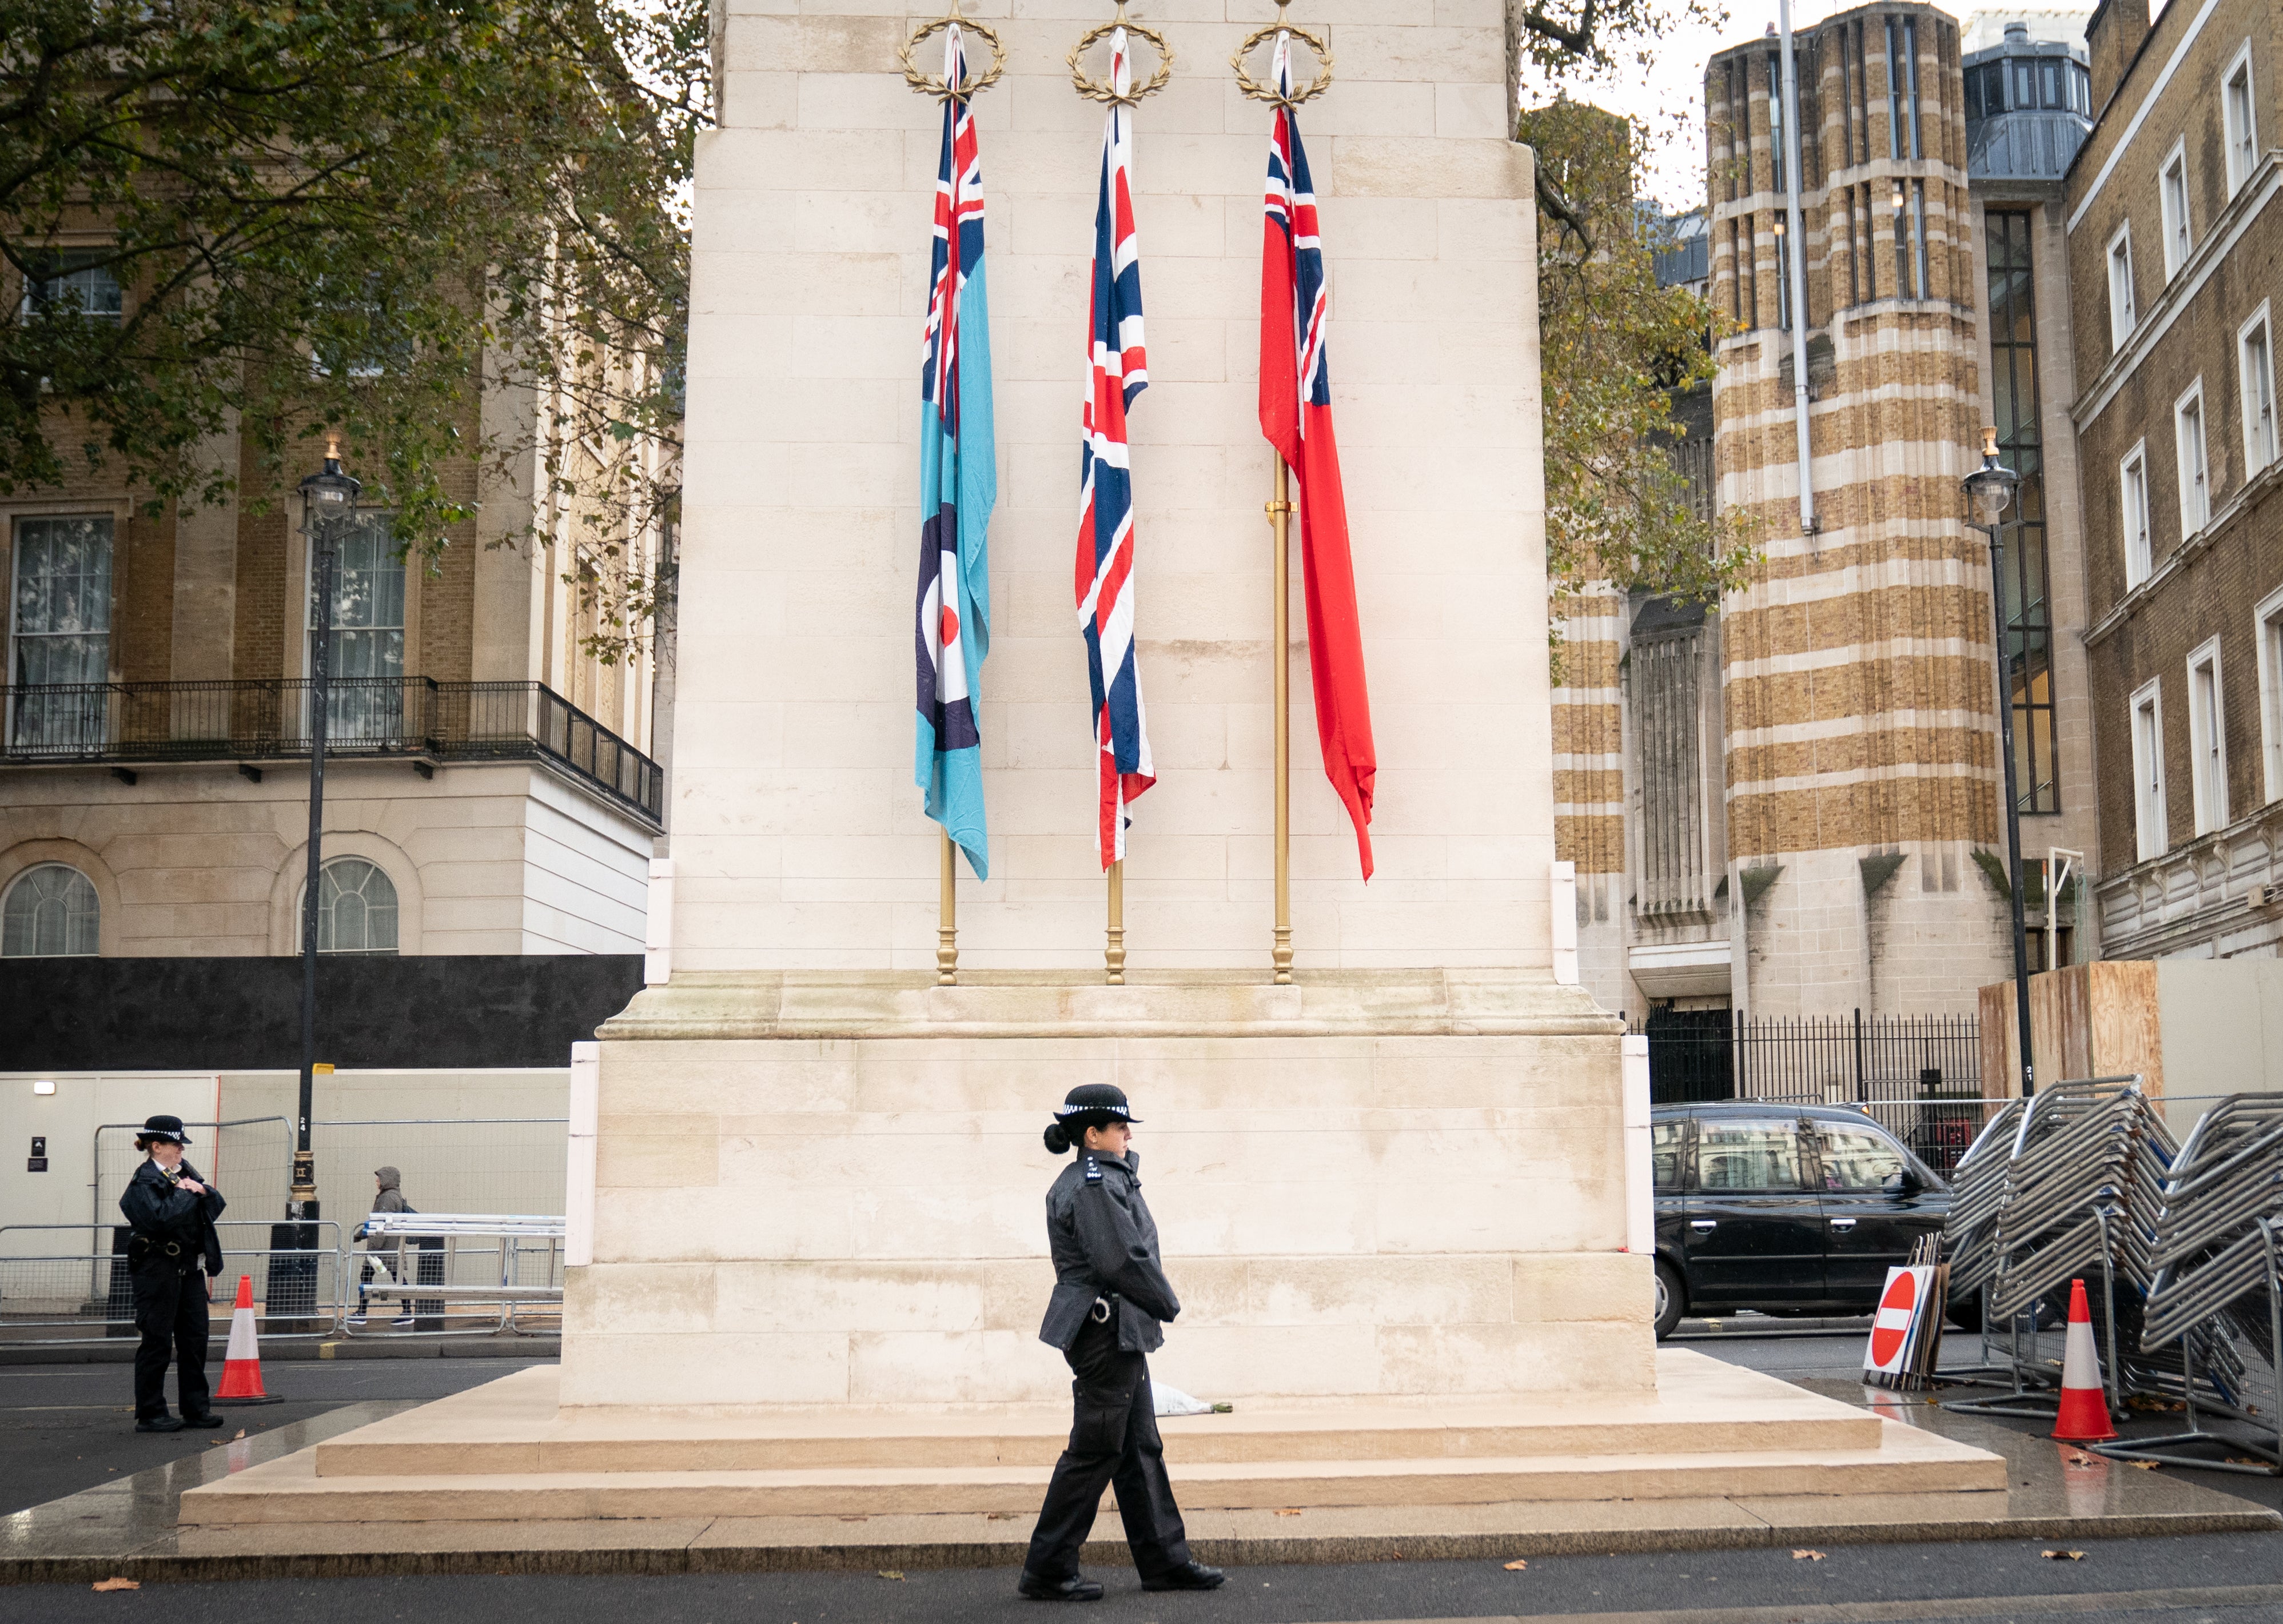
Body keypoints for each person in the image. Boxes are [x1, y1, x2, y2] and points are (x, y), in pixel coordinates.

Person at [1018, 1084, 1224, 1602]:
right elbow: (1119, 1259)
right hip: (1104, 1332)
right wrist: (1167, 1303)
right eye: (1119, 1126)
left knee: (1139, 1449)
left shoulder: (1107, 1176)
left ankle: (1164, 1563)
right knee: (1093, 1452)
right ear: (1092, 1134)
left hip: (1119, 1332)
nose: (1127, 1133)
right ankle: (1046, 1569)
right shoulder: (1092, 1184)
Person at [118, 1115, 226, 1433]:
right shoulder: (144, 1182)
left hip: (189, 1271)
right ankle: (151, 1413)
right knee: (157, 1342)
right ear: (156, 1146)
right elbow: (160, 1219)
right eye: (175, 1143)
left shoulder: (183, 1173)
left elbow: (215, 1206)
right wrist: (188, 1192)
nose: (181, 1148)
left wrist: (202, 1190)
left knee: (194, 1341)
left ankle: (196, 1409)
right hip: (158, 1271)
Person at [349, 1166, 415, 1328]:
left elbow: (380, 1225)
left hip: (382, 1249)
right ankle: (406, 1312)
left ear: (387, 1180)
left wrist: (373, 1249)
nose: (377, 1181)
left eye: (379, 1178)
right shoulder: (393, 1196)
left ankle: (362, 1314)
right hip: (389, 1249)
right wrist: (360, 1235)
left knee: (367, 1277)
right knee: (396, 1279)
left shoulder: (387, 1198)